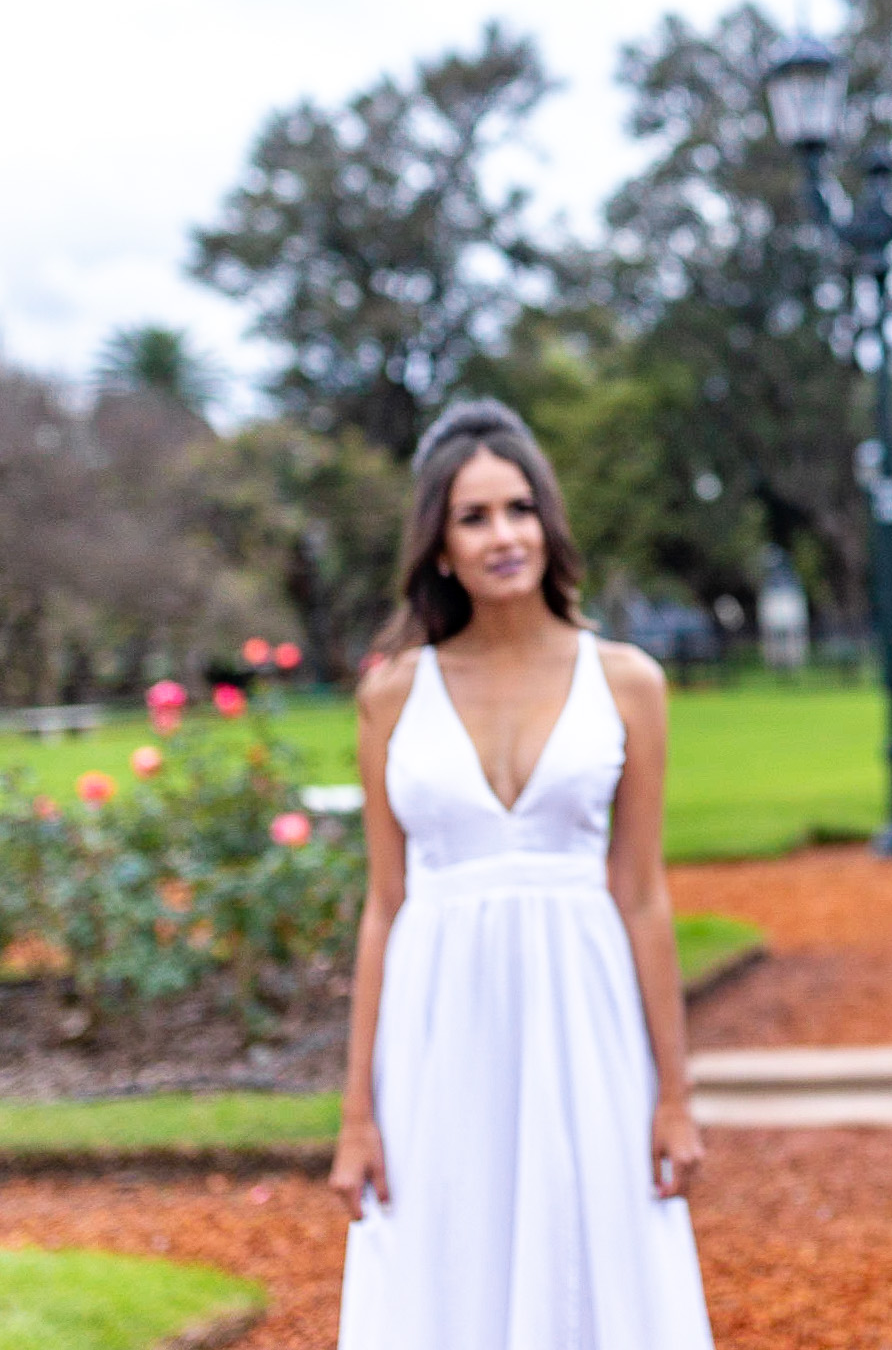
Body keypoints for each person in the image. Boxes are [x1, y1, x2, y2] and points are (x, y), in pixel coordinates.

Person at [331, 399, 713, 1349]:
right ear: (440, 545)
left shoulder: (627, 682)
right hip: (435, 1035)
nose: (503, 535)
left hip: (583, 1021)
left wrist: (673, 1098)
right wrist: (356, 1117)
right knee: (444, 1267)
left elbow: (642, 896)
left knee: (593, 1262)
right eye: (474, 517)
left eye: (518, 509)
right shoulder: (390, 696)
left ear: (547, 522)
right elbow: (383, 908)